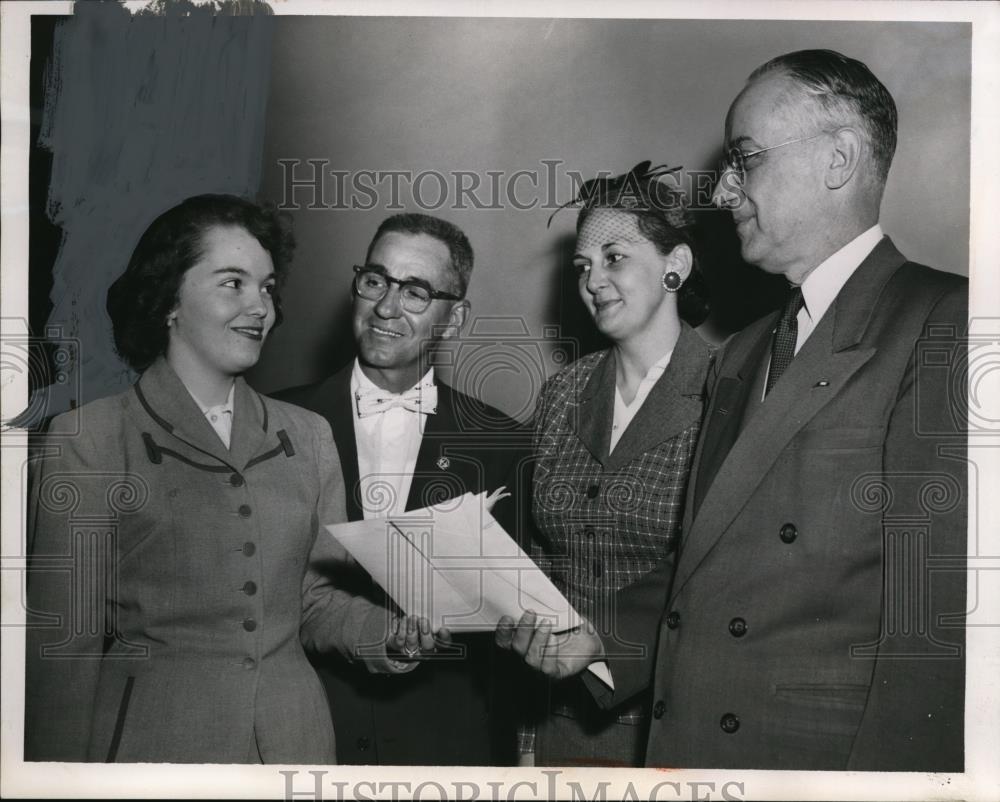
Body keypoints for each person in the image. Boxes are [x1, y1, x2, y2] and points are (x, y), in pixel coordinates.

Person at [497, 49, 967, 772]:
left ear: (837, 159)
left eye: (745, 160)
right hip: (689, 747)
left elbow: (936, 624)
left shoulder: (945, 321)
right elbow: (707, 561)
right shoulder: (746, 352)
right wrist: (604, 634)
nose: (722, 189)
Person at [24, 194, 442, 764]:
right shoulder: (89, 438)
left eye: (267, 288)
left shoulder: (308, 434)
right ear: (170, 297)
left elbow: (313, 600)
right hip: (156, 752)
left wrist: (388, 634)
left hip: (295, 744)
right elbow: (63, 652)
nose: (260, 307)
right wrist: (57, 781)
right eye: (233, 283)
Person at [275, 212, 527, 766]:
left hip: (446, 751)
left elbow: (521, 620)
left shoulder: (506, 445)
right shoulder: (275, 423)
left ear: (454, 318)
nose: (386, 308)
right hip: (305, 737)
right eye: (375, 281)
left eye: (415, 292)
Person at [516, 163, 712, 767]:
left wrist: (603, 639)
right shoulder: (561, 392)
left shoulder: (728, 393)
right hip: (552, 715)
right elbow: (534, 552)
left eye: (615, 258)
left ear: (674, 264)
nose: (593, 280)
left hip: (669, 723)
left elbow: (714, 574)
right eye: (582, 266)